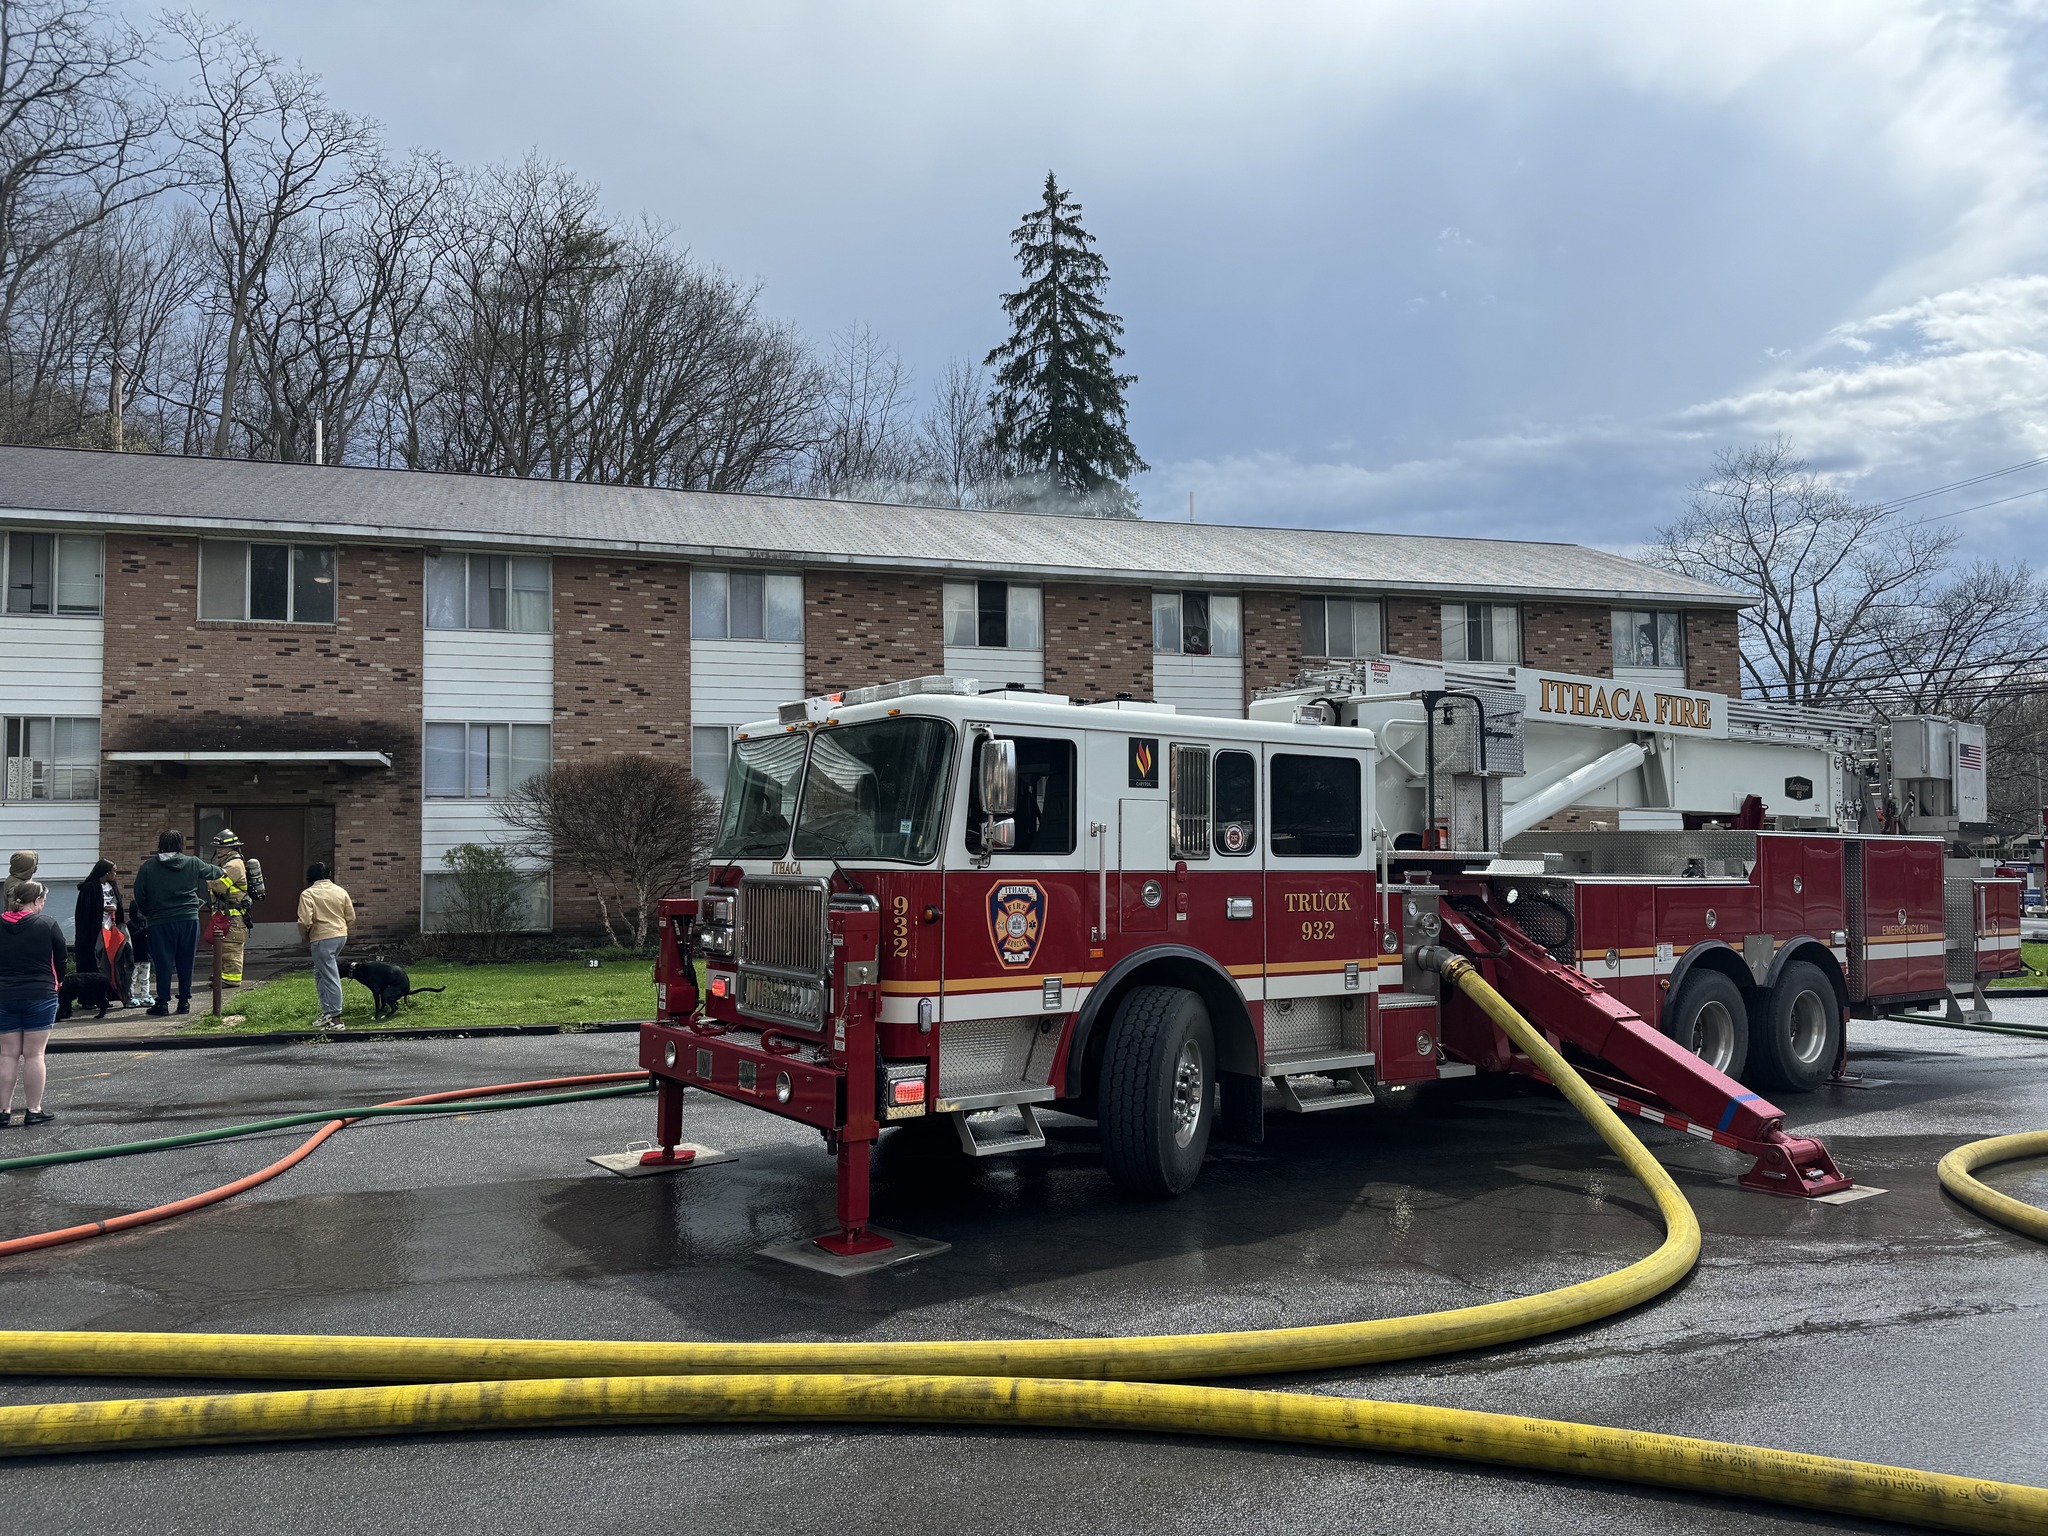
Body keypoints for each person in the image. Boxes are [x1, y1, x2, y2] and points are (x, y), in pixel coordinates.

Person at [130, 830, 226, 1017]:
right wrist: (226, 863)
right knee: (186, 960)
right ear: (180, 844)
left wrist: (150, 913)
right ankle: (184, 1002)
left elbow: (139, 894)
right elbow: (215, 873)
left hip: (160, 920)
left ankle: (162, 1003)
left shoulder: (148, 867)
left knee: (163, 962)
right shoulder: (193, 862)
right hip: (188, 918)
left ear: (160, 844)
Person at [0, 880, 65, 1126]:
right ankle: (33, 1110)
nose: (44, 904)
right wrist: (58, 983)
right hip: (40, 994)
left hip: (4, 995)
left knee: (7, 1054)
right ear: (37, 900)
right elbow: (61, 959)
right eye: (43, 900)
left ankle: (3, 1111)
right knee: (34, 1055)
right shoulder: (47, 924)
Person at [297, 863, 356, 1029]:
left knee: (329, 976)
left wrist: (305, 936)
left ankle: (336, 1019)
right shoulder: (340, 891)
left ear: (310, 877)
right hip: (340, 935)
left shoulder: (308, 893)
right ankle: (327, 1012)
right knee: (320, 973)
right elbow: (351, 916)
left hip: (321, 937)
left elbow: (304, 921)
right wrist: (342, 929)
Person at [72, 861, 135, 1006]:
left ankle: (106, 996)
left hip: (110, 929)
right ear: (106, 872)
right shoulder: (90, 888)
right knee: (94, 964)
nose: (115, 874)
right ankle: (88, 999)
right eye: (114, 871)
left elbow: (118, 904)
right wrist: (103, 908)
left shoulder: (112, 886)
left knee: (109, 965)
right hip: (94, 932)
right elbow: (85, 912)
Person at [209, 829, 252, 987]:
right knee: (222, 946)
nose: (219, 850)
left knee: (231, 947)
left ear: (232, 847)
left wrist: (208, 880)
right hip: (225, 914)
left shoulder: (234, 864)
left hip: (234, 916)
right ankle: (222, 976)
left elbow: (220, 885)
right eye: (217, 847)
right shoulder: (223, 862)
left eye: (222, 847)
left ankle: (231, 980)